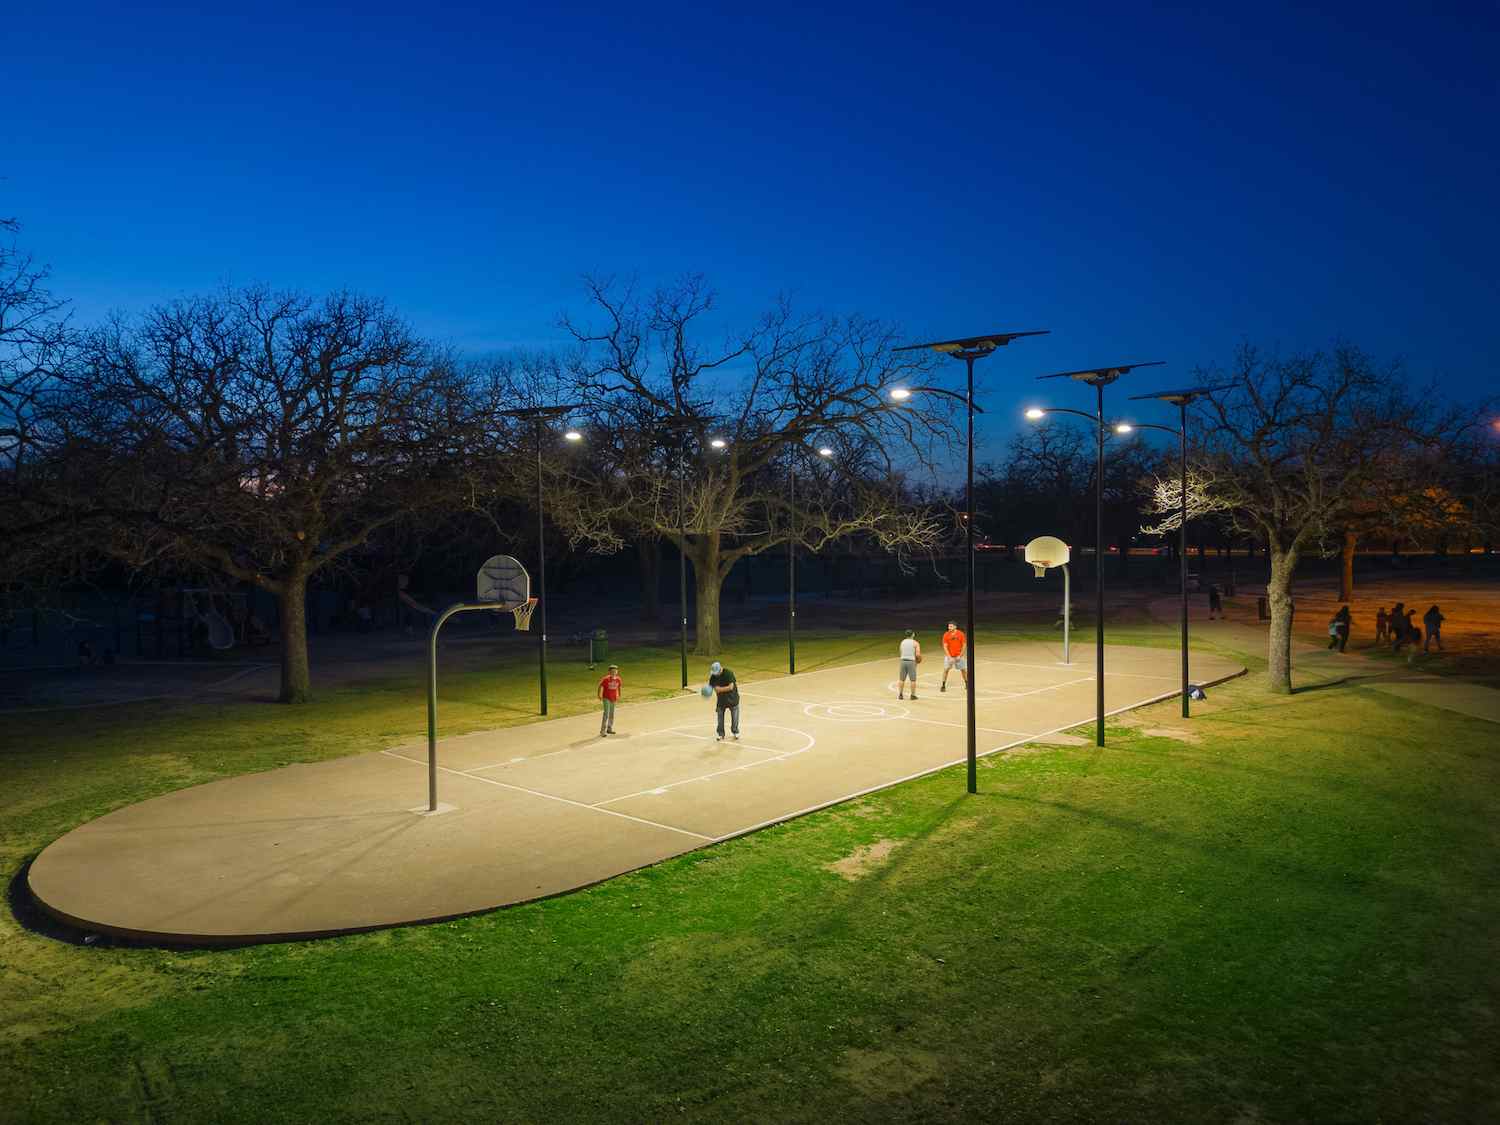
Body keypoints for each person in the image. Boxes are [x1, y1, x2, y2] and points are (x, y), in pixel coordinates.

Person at [708, 660, 739, 741]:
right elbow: (711, 687)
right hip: (721, 700)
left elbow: (731, 687)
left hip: (732, 698)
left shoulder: (728, 673)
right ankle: (720, 734)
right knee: (720, 717)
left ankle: (735, 732)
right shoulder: (713, 676)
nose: (715, 674)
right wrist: (708, 691)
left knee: (735, 717)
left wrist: (720, 689)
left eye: (716, 672)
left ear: (720, 669)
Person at [940, 620, 968, 693]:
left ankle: (967, 684)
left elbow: (964, 645)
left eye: (951, 626)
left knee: (963, 670)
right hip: (949, 656)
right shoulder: (946, 634)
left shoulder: (961, 634)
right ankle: (943, 685)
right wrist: (949, 657)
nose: (949, 628)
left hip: (959, 656)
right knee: (946, 670)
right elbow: (945, 646)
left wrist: (960, 656)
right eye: (948, 626)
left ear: (955, 627)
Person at [597, 663, 622, 736]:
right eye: (612, 671)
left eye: (615, 671)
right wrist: (599, 695)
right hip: (606, 698)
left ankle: (609, 728)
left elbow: (619, 687)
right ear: (609, 672)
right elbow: (599, 686)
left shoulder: (618, 679)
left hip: (613, 698)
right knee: (606, 714)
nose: (614, 672)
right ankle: (602, 731)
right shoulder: (606, 679)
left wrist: (619, 695)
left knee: (611, 713)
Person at [897, 629, 921, 700]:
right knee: (913, 680)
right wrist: (918, 660)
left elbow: (901, 652)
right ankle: (912, 695)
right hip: (911, 662)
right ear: (913, 634)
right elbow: (917, 654)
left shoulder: (902, 642)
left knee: (901, 679)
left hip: (903, 661)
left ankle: (900, 695)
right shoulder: (915, 643)